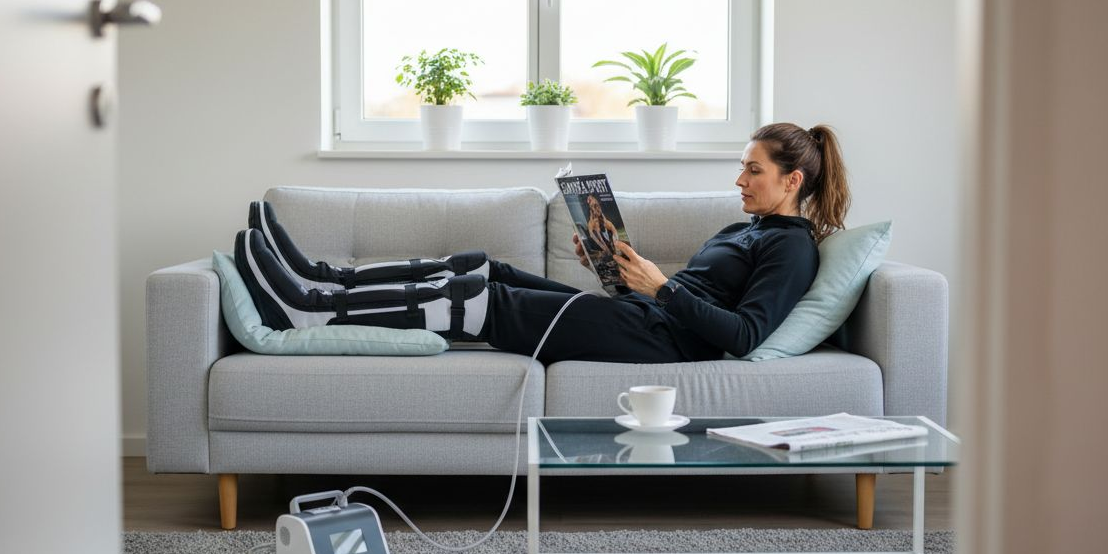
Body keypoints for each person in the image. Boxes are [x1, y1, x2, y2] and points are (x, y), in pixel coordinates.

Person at [235, 122, 850, 365]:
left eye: (753, 171)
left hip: (660, 339)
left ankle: (307, 311)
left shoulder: (792, 248)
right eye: (741, 167)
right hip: (641, 311)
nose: (738, 180)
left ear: (792, 181)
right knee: (482, 266)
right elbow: (690, 289)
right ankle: (322, 280)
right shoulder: (746, 228)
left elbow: (743, 335)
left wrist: (659, 286)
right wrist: (611, 264)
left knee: (477, 299)